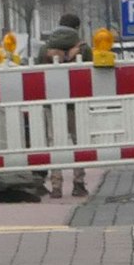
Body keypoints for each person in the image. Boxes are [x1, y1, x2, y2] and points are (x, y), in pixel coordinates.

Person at [40, 12, 89, 199]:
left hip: (51, 103)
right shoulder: (83, 49)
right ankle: (78, 183)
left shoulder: (45, 49)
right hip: (76, 104)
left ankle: (56, 186)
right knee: (78, 141)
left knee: (54, 143)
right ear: (77, 28)